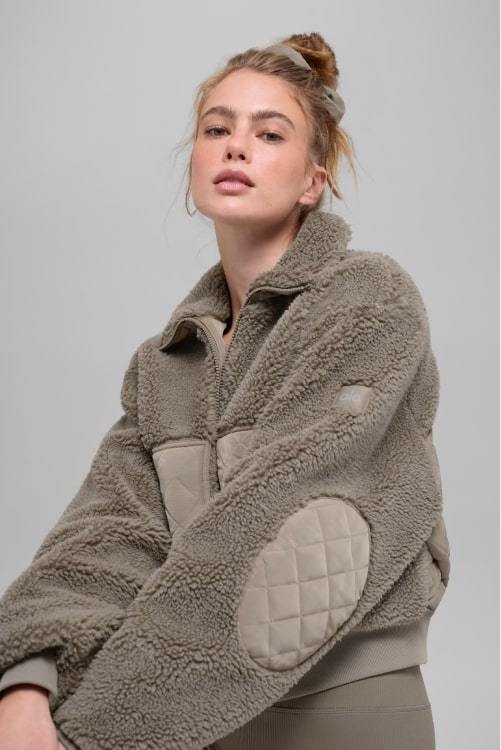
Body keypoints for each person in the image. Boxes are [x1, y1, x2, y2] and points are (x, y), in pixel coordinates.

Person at [0, 33, 450, 750]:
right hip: (190, 722)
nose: (236, 146)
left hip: (341, 712)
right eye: (216, 130)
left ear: (312, 181)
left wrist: (88, 731)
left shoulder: (368, 302)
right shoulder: (166, 364)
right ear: (193, 168)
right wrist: (26, 682)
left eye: (269, 134)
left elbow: (293, 540)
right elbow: (104, 536)